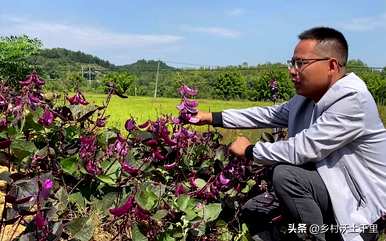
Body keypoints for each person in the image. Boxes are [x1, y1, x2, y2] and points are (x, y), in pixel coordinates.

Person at [192, 27, 386, 241]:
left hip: (360, 212)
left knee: (286, 175)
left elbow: (302, 149)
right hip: (329, 190)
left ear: (331, 66)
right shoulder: (308, 98)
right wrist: (211, 117)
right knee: (253, 209)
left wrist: (249, 150)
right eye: (292, 62)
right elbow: (268, 114)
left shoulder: (353, 100)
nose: (292, 70)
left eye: (301, 63)